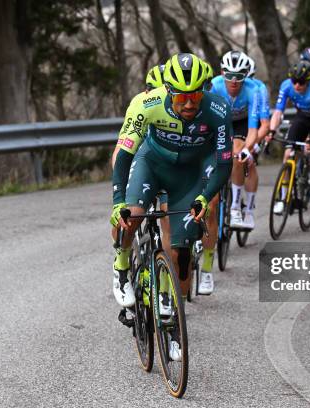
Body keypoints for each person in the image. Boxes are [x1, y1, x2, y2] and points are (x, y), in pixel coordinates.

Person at [110, 53, 233, 361]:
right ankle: (122, 264)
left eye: (195, 95)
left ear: (203, 90)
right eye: (181, 96)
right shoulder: (146, 104)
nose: (189, 103)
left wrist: (205, 198)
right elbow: (124, 154)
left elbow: (222, 163)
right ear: (168, 90)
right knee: (133, 215)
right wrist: (118, 201)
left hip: (189, 175)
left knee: (180, 248)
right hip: (151, 164)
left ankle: (173, 319)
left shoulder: (218, 108)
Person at [267, 60, 310, 214]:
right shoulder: (286, 85)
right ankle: (284, 196)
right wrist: (272, 130)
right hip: (301, 118)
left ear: (308, 81)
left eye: (300, 82)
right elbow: (278, 112)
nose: (296, 86)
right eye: (294, 81)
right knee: (288, 154)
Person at [210, 50, 260, 230]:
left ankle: (237, 207)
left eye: (239, 76)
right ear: (222, 72)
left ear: (246, 75)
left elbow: (254, 128)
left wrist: (248, 148)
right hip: (221, 121)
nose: (233, 80)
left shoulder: (253, 90)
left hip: (243, 124)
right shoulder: (214, 86)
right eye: (229, 75)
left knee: (239, 156)